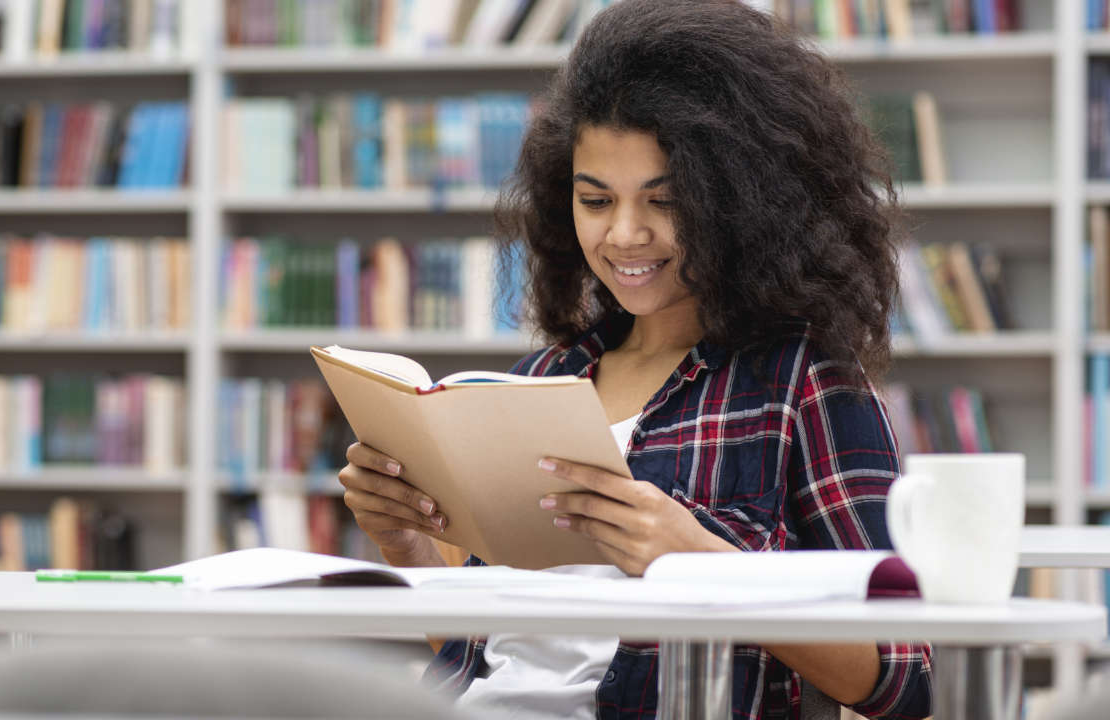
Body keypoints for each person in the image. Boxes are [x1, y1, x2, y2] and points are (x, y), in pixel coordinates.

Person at [336, 1, 933, 718]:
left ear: (742, 204)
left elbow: (907, 676)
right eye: (595, 200)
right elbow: (488, 652)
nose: (624, 235)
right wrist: (405, 544)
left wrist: (703, 566)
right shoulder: (542, 382)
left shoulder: (804, 383)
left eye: (666, 201)